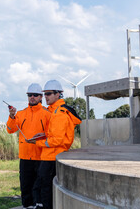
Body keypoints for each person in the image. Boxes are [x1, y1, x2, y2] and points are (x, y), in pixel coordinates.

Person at [28, 79, 82, 209]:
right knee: (41, 189)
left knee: (45, 191)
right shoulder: (55, 111)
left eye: (49, 93)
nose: (45, 96)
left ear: (58, 94)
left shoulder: (59, 114)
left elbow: (57, 140)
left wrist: (37, 142)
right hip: (49, 155)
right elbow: (55, 135)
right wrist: (41, 136)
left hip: (51, 157)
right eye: (45, 94)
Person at [6, 83, 51, 209]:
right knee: (26, 186)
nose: (32, 97)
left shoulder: (47, 114)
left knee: (40, 188)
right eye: (30, 95)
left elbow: (51, 134)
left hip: (41, 157)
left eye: (35, 95)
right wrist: (11, 116)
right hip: (25, 157)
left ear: (41, 97)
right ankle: (27, 206)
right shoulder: (20, 114)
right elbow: (10, 129)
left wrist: (43, 135)